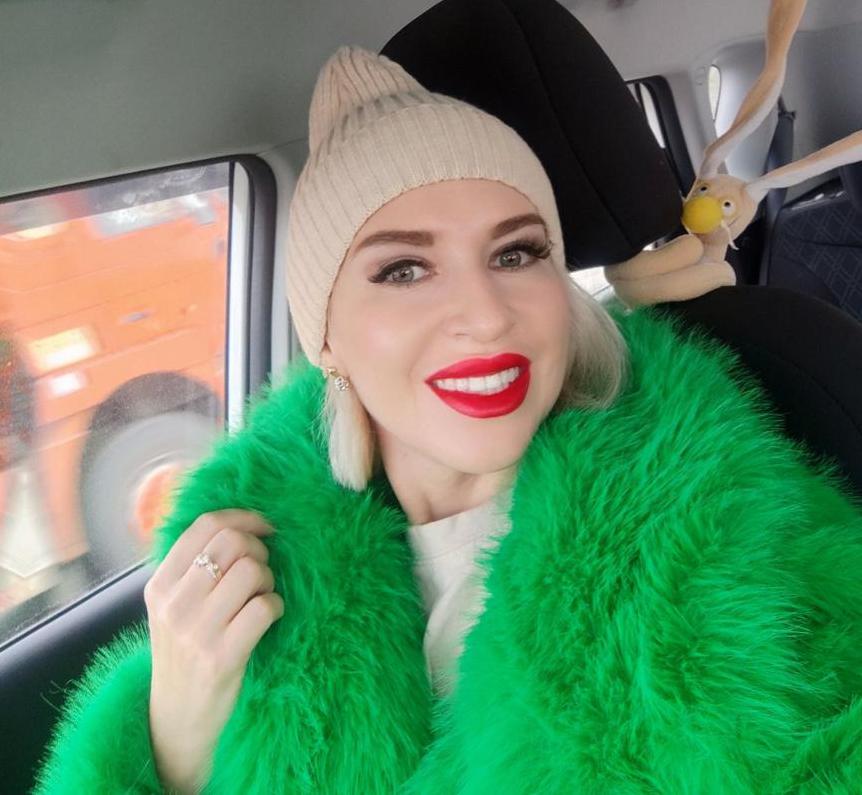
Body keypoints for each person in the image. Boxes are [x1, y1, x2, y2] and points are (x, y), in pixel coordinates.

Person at [33, 46, 862, 794]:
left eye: (516, 253)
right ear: (326, 338)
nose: (486, 314)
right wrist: (174, 747)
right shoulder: (238, 588)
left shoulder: (721, 524)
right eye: (403, 269)